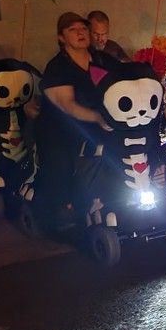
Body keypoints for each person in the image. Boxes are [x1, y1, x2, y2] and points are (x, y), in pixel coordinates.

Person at [35, 12, 117, 222]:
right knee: (60, 160)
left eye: (83, 28)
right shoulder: (58, 67)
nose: (81, 33)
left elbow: (124, 76)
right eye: (73, 30)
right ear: (61, 38)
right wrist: (98, 117)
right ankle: (62, 207)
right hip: (61, 128)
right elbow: (67, 105)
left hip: (99, 124)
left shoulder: (102, 59)